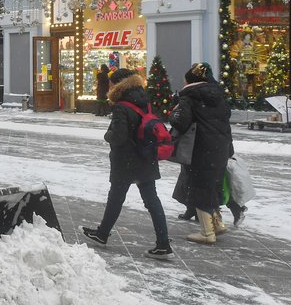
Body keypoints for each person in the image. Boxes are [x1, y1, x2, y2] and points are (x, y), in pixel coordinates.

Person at [81, 68, 172, 259]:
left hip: (127, 160)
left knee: (116, 198)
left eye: (113, 83)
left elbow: (119, 136)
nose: (111, 87)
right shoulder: (143, 100)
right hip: (146, 156)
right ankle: (163, 243)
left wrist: (108, 135)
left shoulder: (122, 106)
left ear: (119, 84)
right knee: (152, 201)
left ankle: (102, 234)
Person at [169, 62, 241, 244]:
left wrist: (173, 113)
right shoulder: (218, 96)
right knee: (213, 186)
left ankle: (207, 232)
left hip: (200, 149)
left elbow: (181, 123)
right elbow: (226, 123)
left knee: (199, 188)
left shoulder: (189, 97)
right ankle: (217, 224)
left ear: (191, 81)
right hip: (220, 147)